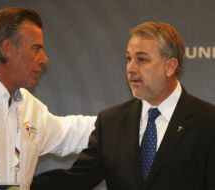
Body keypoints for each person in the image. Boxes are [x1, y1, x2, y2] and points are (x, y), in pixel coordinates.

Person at [31, 22, 215, 190]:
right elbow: (73, 181)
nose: (131, 68)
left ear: (170, 66)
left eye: (141, 59)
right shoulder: (111, 122)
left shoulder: (207, 122)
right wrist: (13, 187)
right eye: (128, 59)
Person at [0, 7, 96, 190]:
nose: (44, 59)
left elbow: (72, 133)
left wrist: (130, 118)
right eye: (36, 48)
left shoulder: (29, 107)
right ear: (8, 48)